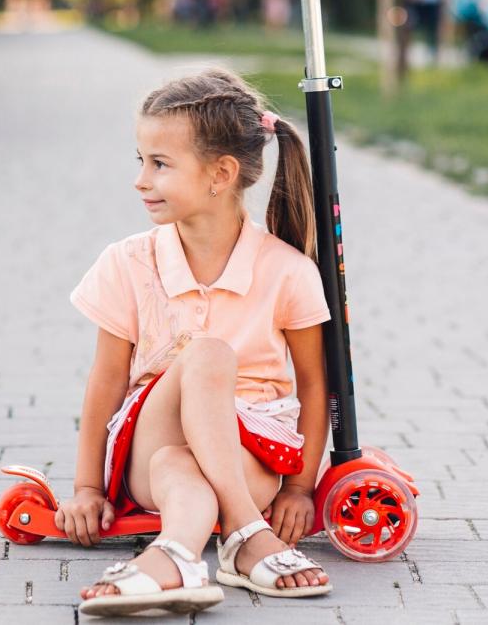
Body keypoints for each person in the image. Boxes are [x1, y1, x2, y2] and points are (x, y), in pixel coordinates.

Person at [62, 68, 334, 617]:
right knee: (207, 354)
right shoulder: (127, 262)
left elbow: (313, 384)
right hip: (149, 439)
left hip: (249, 449)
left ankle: (174, 557)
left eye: (159, 164)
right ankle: (246, 536)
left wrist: (300, 488)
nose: (141, 179)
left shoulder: (287, 271)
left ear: (221, 174)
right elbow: (107, 381)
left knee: (183, 466)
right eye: (139, 160)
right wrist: (87, 487)